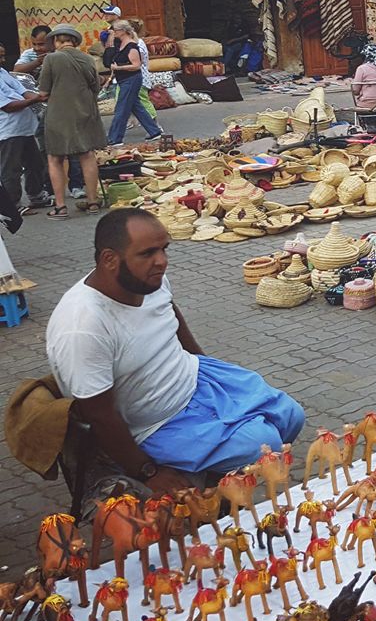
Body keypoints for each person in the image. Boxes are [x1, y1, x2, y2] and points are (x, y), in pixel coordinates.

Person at [46, 209, 305, 490]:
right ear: (109, 259)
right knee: (262, 445)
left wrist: (206, 363)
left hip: (194, 377)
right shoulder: (83, 325)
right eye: (147, 253)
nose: (161, 262)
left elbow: (169, 312)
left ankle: (218, 478)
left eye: (164, 249)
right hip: (156, 421)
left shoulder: (147, 280)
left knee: (291, 415)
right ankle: (215, 497)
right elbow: (99, 414)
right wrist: (148, 472)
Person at [35, 24, 104, 215]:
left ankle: (60, 206)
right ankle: (92, 202)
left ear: (57, 41)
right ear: (74, 41)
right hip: (85, 112)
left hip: (59, 115)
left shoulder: (51, 59)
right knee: (87, 155)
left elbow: (43, 92)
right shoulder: (88, 59)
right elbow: (95, 87)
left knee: (55, 158)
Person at [0, 43, 48, 215]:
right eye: (0, 56)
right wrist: (34, 100)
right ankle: (13, 206)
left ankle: (36, 196)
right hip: (8, 131)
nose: (3, 59)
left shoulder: (3, 73)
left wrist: (39, 96)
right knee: (10, 170)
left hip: (25, 128)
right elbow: (9, 106)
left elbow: (23, 91)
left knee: (35, 163)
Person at [102, 21, 162, 146]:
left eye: (116, 31)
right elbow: (110, 60)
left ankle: (115, 138)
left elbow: (136, 65)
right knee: (137, 106)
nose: (115, 33)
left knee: (122, 109)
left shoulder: (132, 46)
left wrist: (118, 69)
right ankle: (154, 131)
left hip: (131, 79)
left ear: (123, 31)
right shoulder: (119, 44)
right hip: (123, 79)